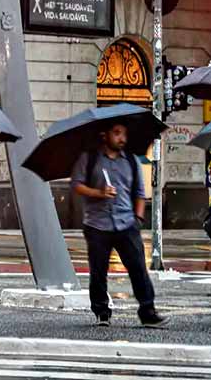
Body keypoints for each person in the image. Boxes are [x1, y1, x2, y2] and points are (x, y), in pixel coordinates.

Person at [70, 121, 168, 328]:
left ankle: (147, 310)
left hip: (126, 223)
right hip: (97, 224)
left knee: (138, 268)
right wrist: (99, 193)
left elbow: (140, 194)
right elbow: (77, 185)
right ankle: (102, 312)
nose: (122, 138)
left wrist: (138, 220)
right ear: (105, 135)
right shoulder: (90, 158)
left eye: (124, 134)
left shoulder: (131, 161)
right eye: (117, 133)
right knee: (98, 272)